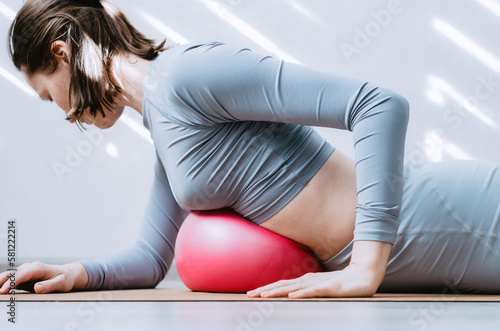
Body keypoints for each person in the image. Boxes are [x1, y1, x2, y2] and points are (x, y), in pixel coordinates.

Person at [1, 0, 499, 298]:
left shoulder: (189, 75)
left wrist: (365, 269)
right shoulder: (163, 128)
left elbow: (378, 105)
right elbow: (152, 259)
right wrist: (74, 274)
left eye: (51, 95)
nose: (65, 114)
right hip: (428, 259)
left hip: (456, 218)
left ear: (62, 54)